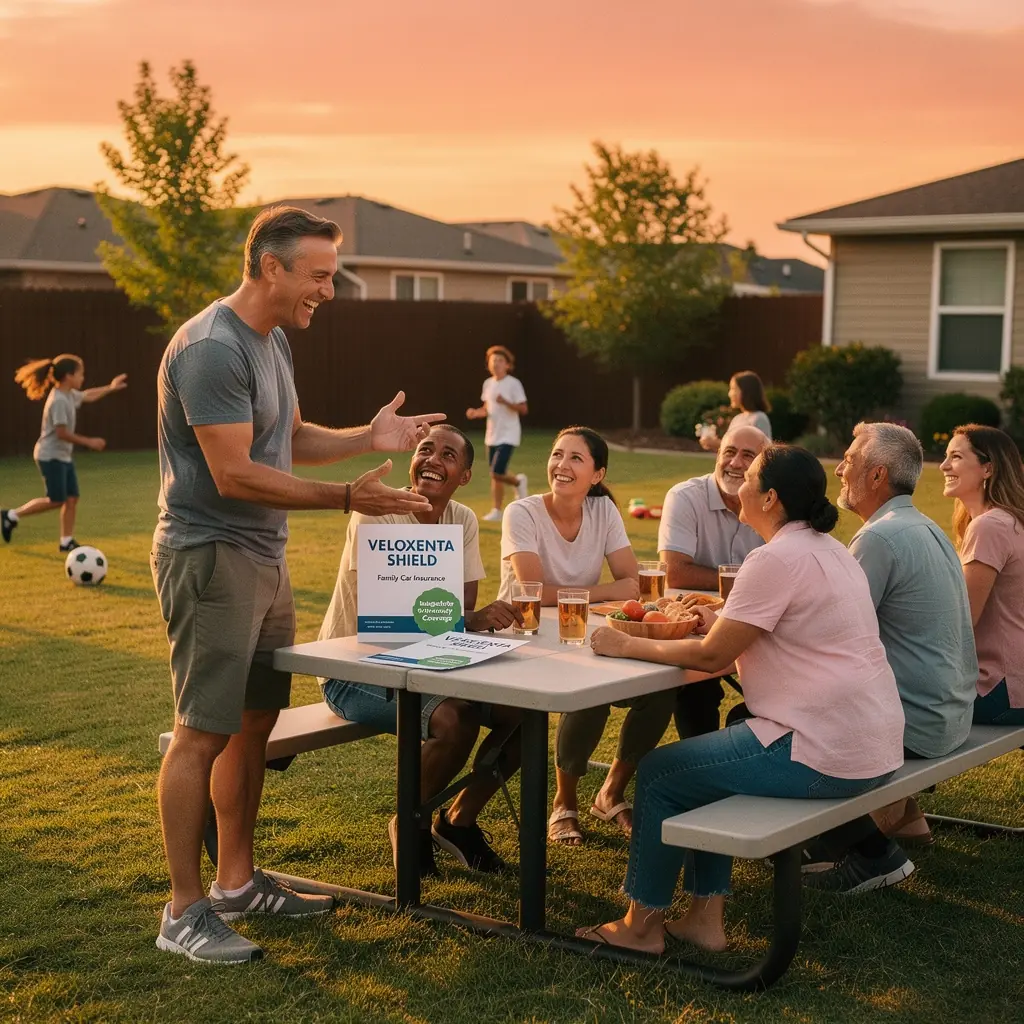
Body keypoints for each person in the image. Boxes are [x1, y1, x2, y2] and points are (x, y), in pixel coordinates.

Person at [152, 205, 446, 966]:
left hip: (261, 557)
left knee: (252, 725)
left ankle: (237, 882)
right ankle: (184, 910)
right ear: (271, 267)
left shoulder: (270, 340)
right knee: (200, 731)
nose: (330, 290)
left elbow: (285, 438)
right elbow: (234, 471)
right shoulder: (214, 348)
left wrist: (365, 439)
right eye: (318, 275)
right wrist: (350, 496)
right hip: (213, 555)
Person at [579, 445, 904, 954]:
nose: (739, 482)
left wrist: (623, 642)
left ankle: (641, 928)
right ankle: (705, 919)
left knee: (663, 773)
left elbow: (712, 660)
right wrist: (716, 624)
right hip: (873, 743)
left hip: (825, 751)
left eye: (749, 476)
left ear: (770, 497)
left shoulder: (774, 557)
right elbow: (760, 637)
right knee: (707, 762)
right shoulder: (829, 549)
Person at [319, 423, 524, 876]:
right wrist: (466, 620)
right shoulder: (378, 511)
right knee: (455, 718)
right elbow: (391, 615)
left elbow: (459, 610)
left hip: (430, 661)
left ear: (464, 475)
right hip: (356, 669)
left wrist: (467, 619)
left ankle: (458, 822)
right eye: (425, 449)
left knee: (521, 718)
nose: (433, 459)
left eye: (448, 455)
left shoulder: (464, 519)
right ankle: (409, 823)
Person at [801, 422, 978, 893]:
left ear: (877, 476)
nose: (838, 469)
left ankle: (873, 855)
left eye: (850, 461)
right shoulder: (923, 525)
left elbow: (831, 634)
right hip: (950, 712)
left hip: (917, 723)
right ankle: (901, 820)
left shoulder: (879, 538)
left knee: (764, 722)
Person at [498, 426, 661, 846]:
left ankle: (611, 792)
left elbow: (633, 580)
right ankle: (563, 803)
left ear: (597, 474)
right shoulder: (524, 512)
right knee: (590, 691)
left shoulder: (603, 512)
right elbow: (533, 591)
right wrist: (606, 591)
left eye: (575, 458)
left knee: (661, 689)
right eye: (556, 455)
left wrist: (607, 593)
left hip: (578, 633)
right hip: (523, 638)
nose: (561, 465)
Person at [658, 424, 768, 738]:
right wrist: (746, 583)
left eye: (748, 455)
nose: (735, 463)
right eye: (729, 452)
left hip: (756, 622)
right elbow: (675, 572)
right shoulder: (685, 497)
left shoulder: (772, 502)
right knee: (697, 682)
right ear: (716, 456)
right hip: (698, 620)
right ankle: (701, 759)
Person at [940, 424, 1024, 726]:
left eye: (957, 457)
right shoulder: (1010, 520)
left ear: (987, 468)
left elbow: (961, 623)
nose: (944, 465)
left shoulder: (990, 526)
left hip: (1002, 689)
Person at [2, 355, 127, 551]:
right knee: (57, 500)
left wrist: (110, 388)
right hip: (49, 455)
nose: (82, 378)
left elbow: (88, 395)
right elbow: (61, 433)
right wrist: (89, 442)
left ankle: (66, 541)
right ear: (69, 376)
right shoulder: (58, 400)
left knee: (71, 498)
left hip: (62, 456)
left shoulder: (68, 394)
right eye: (80, 374)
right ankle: (11, 515)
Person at [465, 345, 528, 522]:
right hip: (492, 435)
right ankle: (497, 510)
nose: (496, 363)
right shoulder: (488, 384)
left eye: (500, 360)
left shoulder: (514, 384)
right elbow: (487, 409)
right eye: (493, 360)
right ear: (489, 364)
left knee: (496, 472)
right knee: (496, 474)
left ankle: (518, 483)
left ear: (507, 365)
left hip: (509, 435)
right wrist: (475, 413)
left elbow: (523, 409)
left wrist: (506, 402)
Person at [698, 371, 773, 452]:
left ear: (746, 391)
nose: (730, 394)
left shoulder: (759, 418)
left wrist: (717, 443)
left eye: (733, 389)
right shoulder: (737, 419)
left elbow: (761, 451)